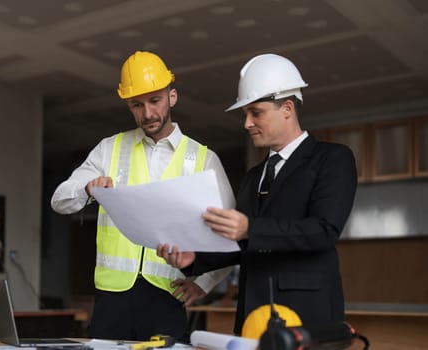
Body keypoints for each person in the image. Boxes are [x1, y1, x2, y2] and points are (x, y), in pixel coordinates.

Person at [157, 53, 358, 335]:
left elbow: (323, 230)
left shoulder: (332, 159)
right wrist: (195, 260)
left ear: (287, 108)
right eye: (245, 114)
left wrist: (250, 227)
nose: (247, 123)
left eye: (256, 113)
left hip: (307, 313)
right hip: (252, 312)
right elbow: (243, 245)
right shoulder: (253, 176)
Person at [51, 51, 235, 342]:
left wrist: (203, 283)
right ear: (128, 105)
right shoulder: (108, 149)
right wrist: (87, 188)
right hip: (111, 300)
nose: (147, 113)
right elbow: (60, 200)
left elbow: (230, 236)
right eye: (137, 104)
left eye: (155, 100)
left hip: (167, 298)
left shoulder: (203, 159)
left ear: (172, 97)